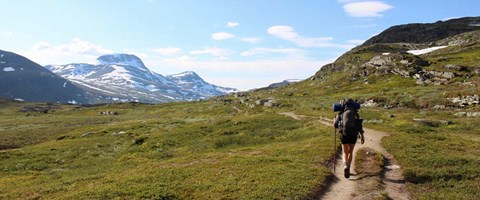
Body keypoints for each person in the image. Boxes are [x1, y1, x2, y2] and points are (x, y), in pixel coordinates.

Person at [334, 99, 365, 178]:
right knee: (350, 152)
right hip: (353, 135)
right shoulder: (355, 113)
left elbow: (335, 124)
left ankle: (345, 166)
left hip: (344, 134)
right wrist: (362, 136)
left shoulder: (341, 113)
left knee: (345, 152)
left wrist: (335, 120)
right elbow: (359, 125)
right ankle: (349, 167)